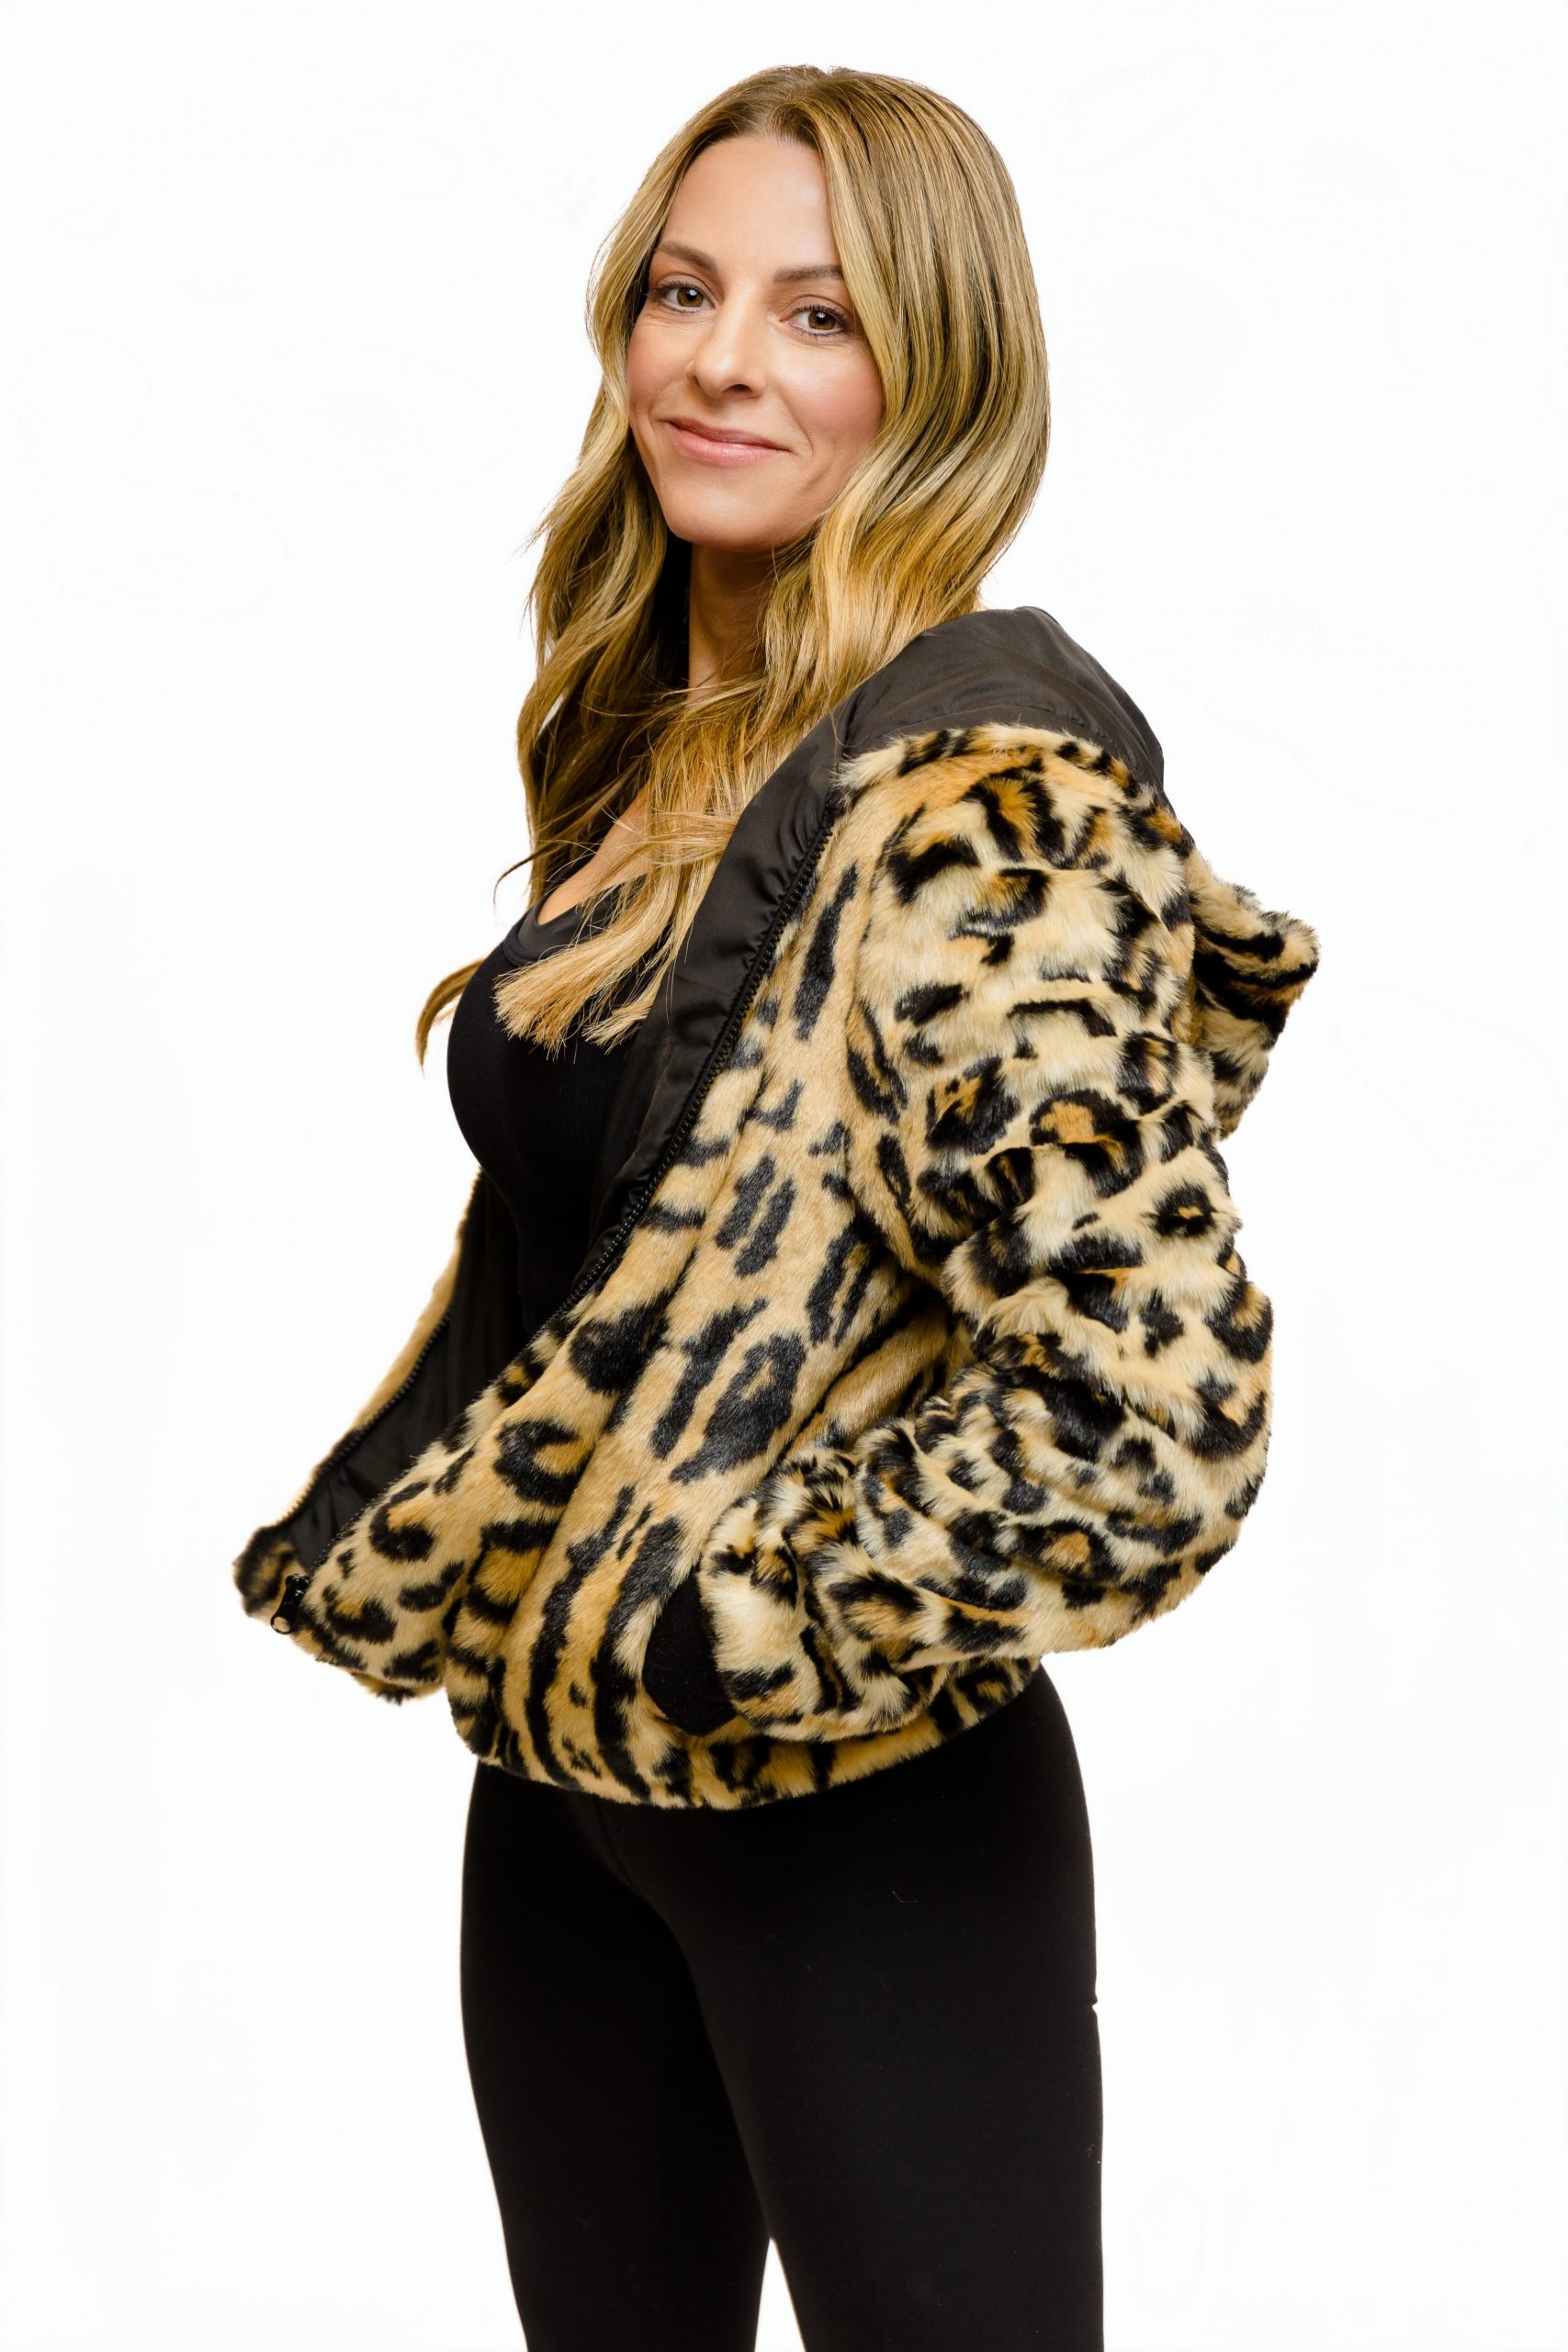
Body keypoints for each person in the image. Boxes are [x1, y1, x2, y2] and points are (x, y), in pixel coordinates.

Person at [232, 63, 1321, 2352]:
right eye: (681, 290)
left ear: (937, 375)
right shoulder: (660, 744)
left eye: (816, 315)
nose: (720, 359)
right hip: (560, 1811)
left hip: (859, 1833)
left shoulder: (976, 800)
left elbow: (1148, 1412)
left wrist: (727, 1624)